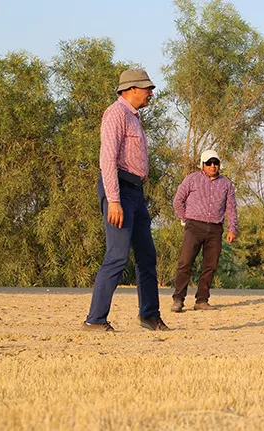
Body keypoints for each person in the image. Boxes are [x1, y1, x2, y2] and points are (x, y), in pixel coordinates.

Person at [83, 69, 168, 331]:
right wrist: (114, 200)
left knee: (147, 255)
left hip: (135, 192)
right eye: (147, 89)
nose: (151, 93)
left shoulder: (134, 118)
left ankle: (149, 316)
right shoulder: (116, 114)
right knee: (117, 255)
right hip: (118, 190)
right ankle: (95, 320)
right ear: (131, 89)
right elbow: (107, 160)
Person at [171, 150, 238, 312]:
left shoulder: (226, 184)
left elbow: (231, 208)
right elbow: (178, 201)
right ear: (202, 165)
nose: (212, 166)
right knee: (185, 263)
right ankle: (178, 299)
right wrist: (184, 218)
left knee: (210, 265)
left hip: (215, 229)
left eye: (215, 163)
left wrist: (232, 229)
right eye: (209, 163)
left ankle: (202, 299)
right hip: (194, 227)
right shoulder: (191, 179)